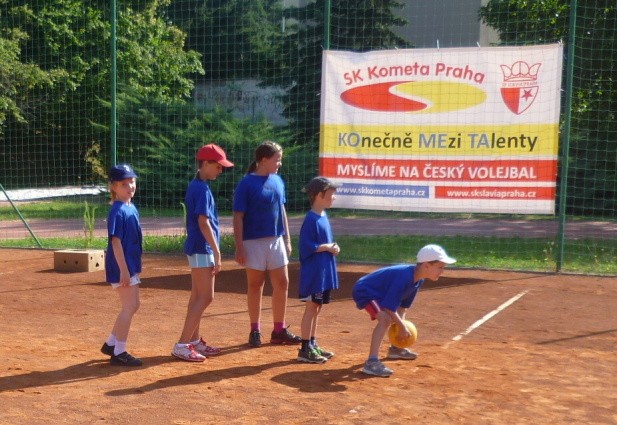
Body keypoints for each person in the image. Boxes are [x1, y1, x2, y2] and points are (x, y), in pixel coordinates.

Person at [232, 141, 301, 347]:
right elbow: (238, 216)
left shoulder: (278, 181)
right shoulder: (246, 184)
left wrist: (287, 239)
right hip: (253, 242)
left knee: (282, 283)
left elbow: (282, 210)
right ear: (263, 160)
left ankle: (279, 330)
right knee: (256, 284)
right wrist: (239, 246)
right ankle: (255, 330)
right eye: (277, 159)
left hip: (276, 240)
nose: (280, 163)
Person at [352, 244, 456, 377]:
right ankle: (371, 362)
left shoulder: (418, 280)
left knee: (395, 317)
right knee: (385, 319)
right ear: (426, 266)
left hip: (380, 292)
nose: (442, 271)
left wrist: (400, 337)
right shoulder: (404, 277)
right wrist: (402, 327)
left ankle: (395, 349)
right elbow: (389, 307)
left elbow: (402, 307)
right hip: (366, 290)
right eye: (440, 267)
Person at [172, 144, 234, 362]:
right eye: (218, 166)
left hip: (199, 247)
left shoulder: (199, 186)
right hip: (202, 248)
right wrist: (217, 252)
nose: (221, 170)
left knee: (198, 296)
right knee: (206, 296)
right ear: (205, 164)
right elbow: (203, 222)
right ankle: (182, 344)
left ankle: (194, 341)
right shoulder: (201, 189)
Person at [100, 164, 144, 366]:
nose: (130, 187)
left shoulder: (130, 207)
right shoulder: (117, 210)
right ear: (114, 187)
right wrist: (124, 271)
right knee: (130, 306)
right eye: (124, 184)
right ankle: (119, 352)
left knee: (132, 305)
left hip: (130, 264)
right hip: (121, 266)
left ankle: (111, 344)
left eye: (132, 182)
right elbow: (115, 243)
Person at [297, 177, 341, 363]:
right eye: (331, 194)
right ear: (319, 196)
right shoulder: (311, 219)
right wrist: (327, 247)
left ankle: (312, 343)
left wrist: (332, 247)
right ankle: (304, 348)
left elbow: (324, 243)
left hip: (323, 272)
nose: (334, 197)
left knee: (318, 307)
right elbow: (306, 247)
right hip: (315, 273)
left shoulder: (323, 216)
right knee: (311, 307)